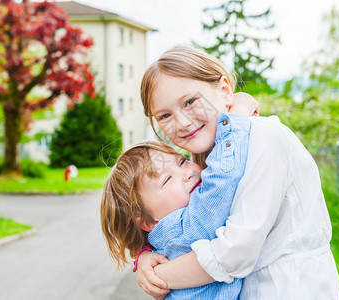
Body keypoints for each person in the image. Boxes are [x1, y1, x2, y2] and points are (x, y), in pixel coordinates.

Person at [136, 44, 339, 299]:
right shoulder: (211, 161)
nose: (182, 123)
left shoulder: (264, 138)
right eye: (165, 116)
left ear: (224, 90)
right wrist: (145, 257)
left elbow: (233, 253)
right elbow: (192, 227)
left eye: (190, 101)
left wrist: (161, 276)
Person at [101, 96, 256, 299]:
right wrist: (236, 117)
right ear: (148, 221)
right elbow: (223, 181)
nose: (188, 172)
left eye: (182, 162)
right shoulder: (185, 226)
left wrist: (143, 253)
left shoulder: (172, 236)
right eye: (167, 179)